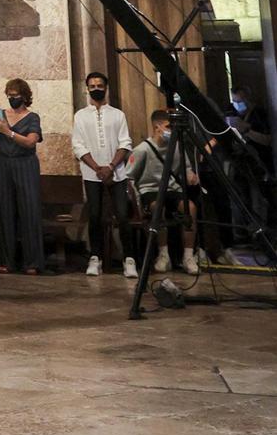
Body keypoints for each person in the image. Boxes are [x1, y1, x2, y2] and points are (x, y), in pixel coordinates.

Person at [72, 70, 135, 279]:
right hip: (92, 173)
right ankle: (95, 258)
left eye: (100, 86)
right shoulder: (80, 115)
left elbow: (125, 142)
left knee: (123, 216)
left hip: (116, 172)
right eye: (93, 86)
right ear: (87, 89)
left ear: (106, 88)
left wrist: (110, 165)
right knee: (95, 215)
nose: (96, 89)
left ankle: (129, 259)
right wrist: (97, 167)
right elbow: (78, 145)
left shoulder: (118, 115)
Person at [127, 110, 200, 276]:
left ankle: (188, 256)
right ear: (157, 127)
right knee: (157, 207)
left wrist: (189, 174)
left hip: (172, 188)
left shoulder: (176, 147)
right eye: (168, 126)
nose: (171, 130)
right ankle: (163, 253)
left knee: (190, 208)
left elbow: (186, 167)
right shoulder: (142, 150)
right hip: (151, 189)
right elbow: (129, 175)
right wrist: (136, 200)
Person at [0, 77, 43, 274]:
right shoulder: (0, 115)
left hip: (25, 164)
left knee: (29, 211)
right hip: (4, 164)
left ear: (25, 97)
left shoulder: (32, 117)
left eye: (15, 96)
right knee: (5, 210)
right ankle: (7, 260)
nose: (12, 99)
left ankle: (32, 262)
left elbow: (30, 142)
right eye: (9, 96)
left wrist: (8, 132)